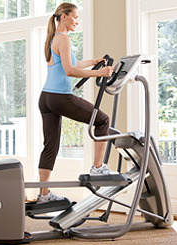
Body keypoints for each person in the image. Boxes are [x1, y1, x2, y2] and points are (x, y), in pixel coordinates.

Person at [37, 3, 118, 204]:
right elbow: (69, 71)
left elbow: (72, 64)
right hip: (59, 97)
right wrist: (99, 72)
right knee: (102, 120)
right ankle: (98, 167)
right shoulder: (63, 39)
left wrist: (92, 62)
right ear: (64, 17)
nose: (76, 21)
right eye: (74, 17)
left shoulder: (53, 38)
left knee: (50, 146)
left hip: (46, 98)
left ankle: (43, 195)